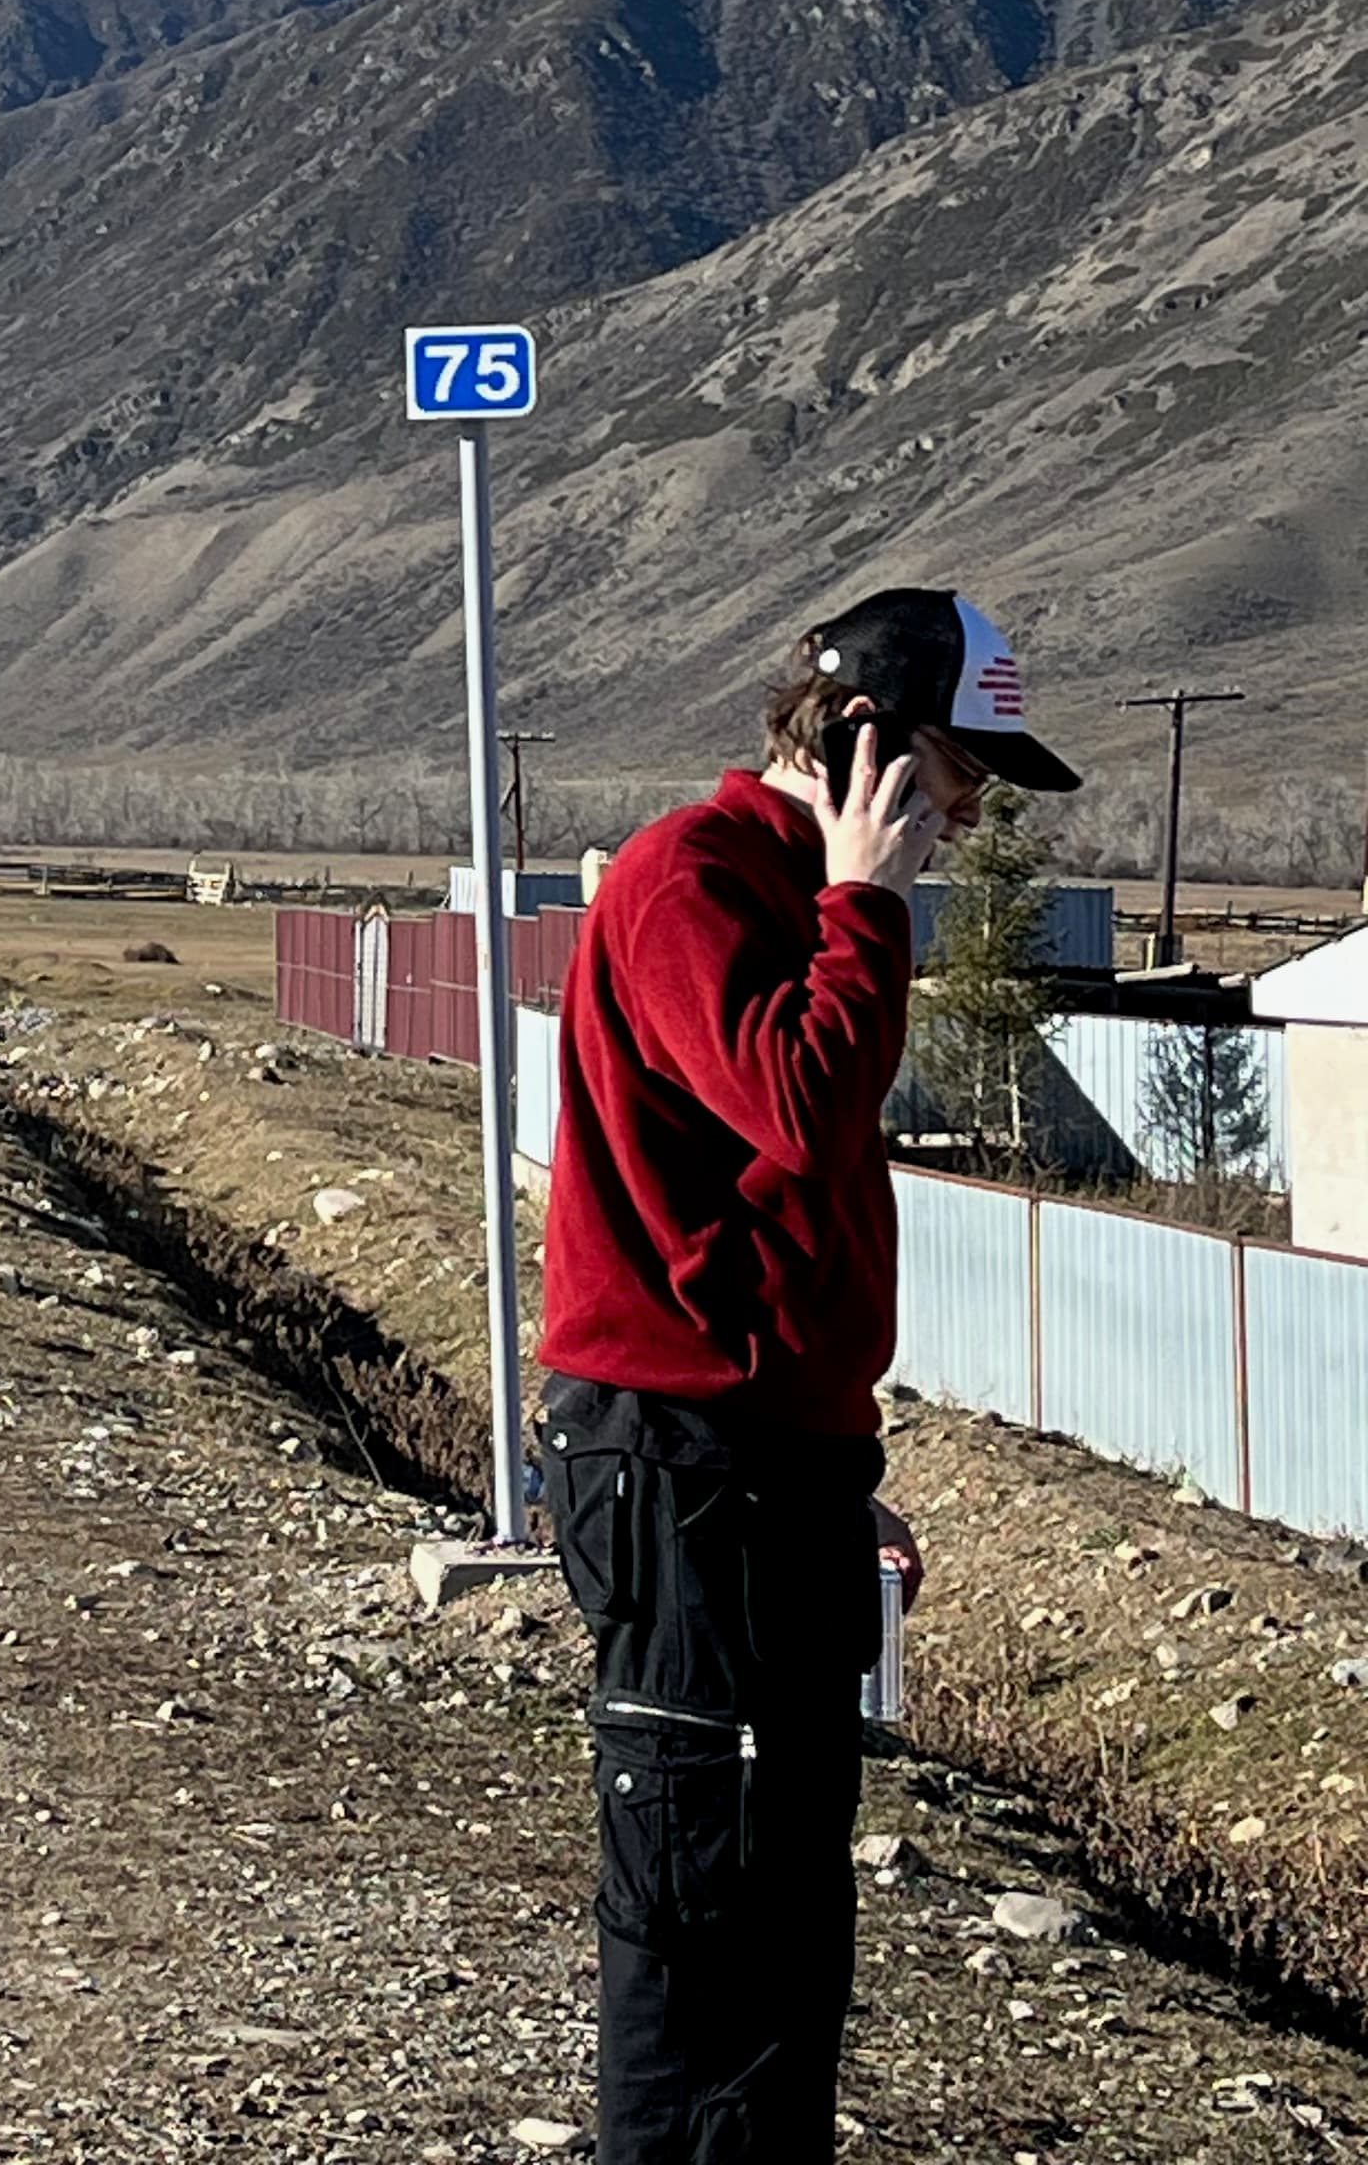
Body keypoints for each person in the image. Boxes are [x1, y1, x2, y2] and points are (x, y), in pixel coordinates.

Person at [538, 588, 1082, 2165]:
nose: (972, 809)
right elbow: (800, 1102)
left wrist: (841, 1459)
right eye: (959, 767)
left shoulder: (800, 896)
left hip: (772, 1462)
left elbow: (795, 1210)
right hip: (676, 1465)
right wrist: (866, 903)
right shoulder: (693, 883)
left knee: (790, 1910)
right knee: (697, 1910)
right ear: (861, 742)